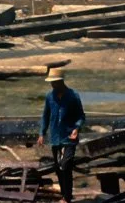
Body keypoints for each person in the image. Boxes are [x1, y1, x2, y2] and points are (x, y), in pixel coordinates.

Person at [37, 68, 85, 203]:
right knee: (58, 167)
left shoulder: (73, 96)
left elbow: (81, 116)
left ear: (60, 81)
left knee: (66, 164)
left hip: (69, 137)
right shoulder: (49, 97)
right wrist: (42, 133)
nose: (52, 85)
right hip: (55, 137)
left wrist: (77, 128)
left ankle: (67, 197)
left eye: (54, 83)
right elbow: (45, 116)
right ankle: (64, 195)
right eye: (51, 83)